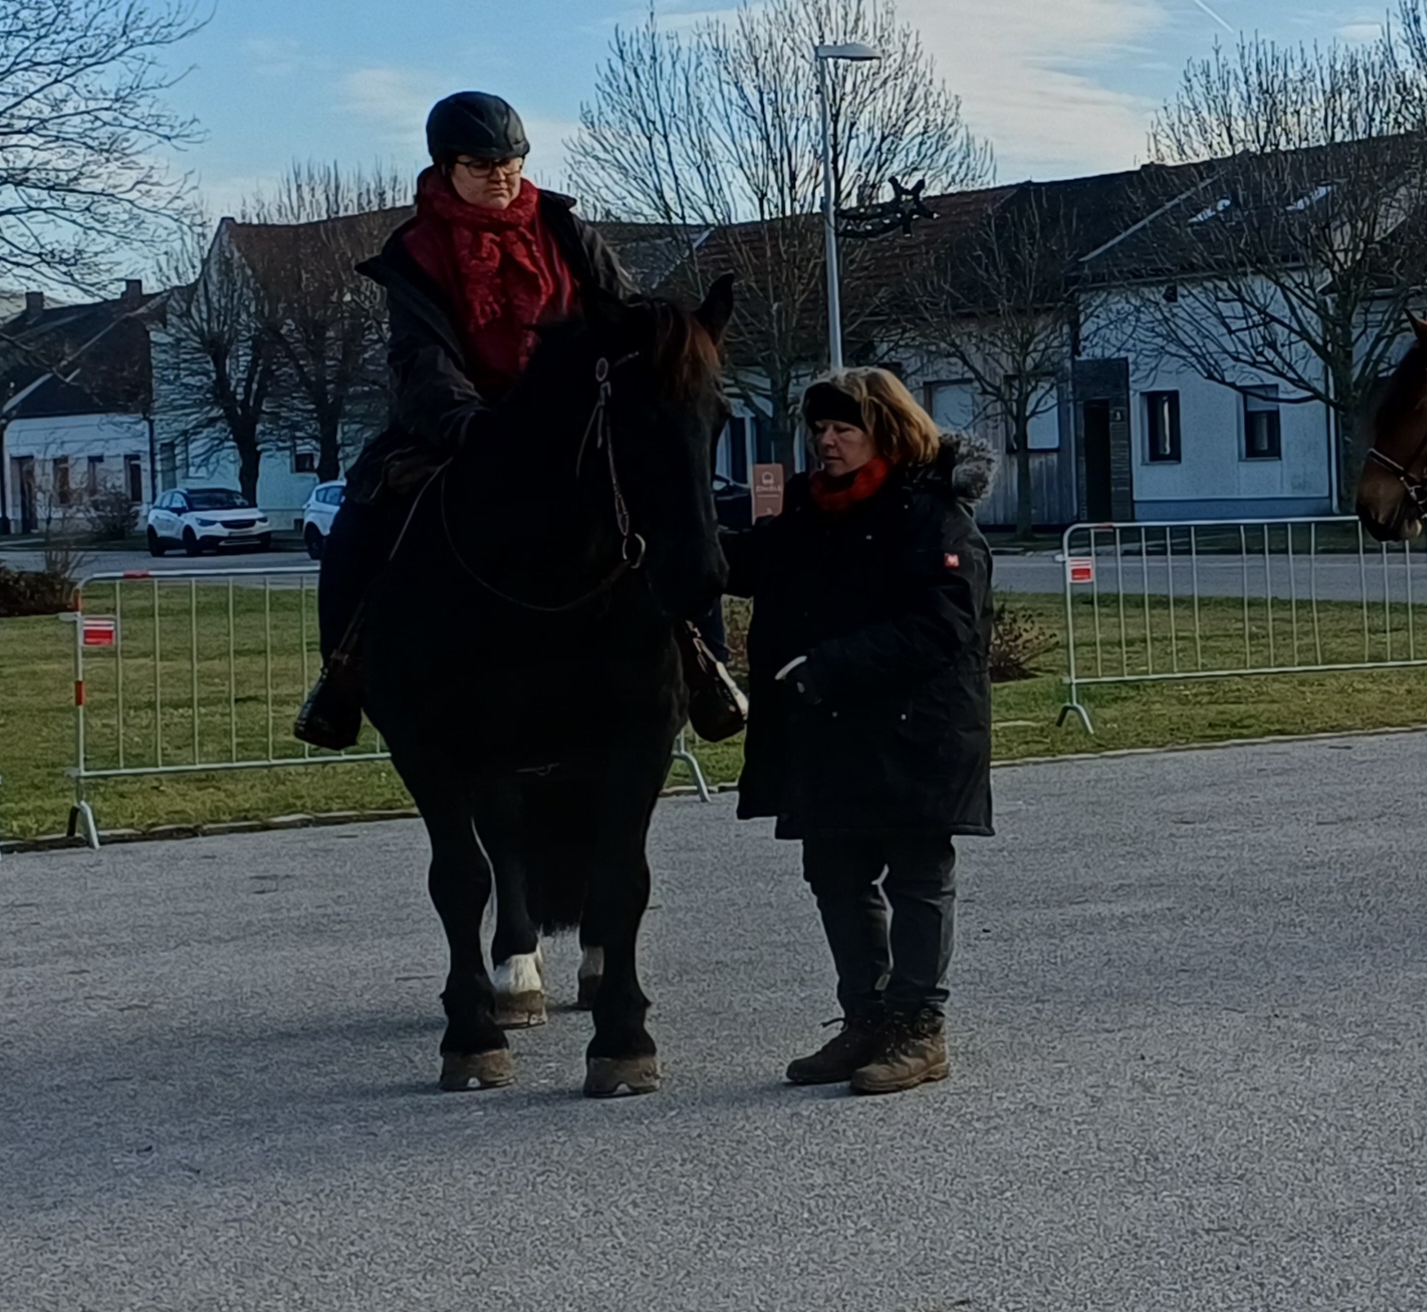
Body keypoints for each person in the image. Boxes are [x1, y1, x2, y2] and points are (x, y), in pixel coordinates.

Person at [295, 92, 742, 751]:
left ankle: (708, 666)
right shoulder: (415, 251)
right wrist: (472, 426)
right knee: (358, 523)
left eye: (511, 163)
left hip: (574, 418)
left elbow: (624, 315)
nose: (501, 176)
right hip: (459, 427)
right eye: (482, 165)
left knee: (672, 500)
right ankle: (339, 679)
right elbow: (422, 358)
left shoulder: (565, 229)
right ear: (445, 167)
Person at [733, 369, 994, 1097]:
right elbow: (746, 562)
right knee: (835, 876)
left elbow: (943, 623)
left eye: (844, 428)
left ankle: (918, 1028)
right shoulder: (811, 512)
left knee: (916, 876)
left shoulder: (933, 513)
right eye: (818, 427)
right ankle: (866, 1018)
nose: (826, 441)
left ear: (885, 432)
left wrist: (829, 666)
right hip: (830, 733)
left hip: (918, 732)